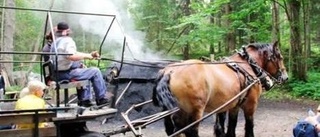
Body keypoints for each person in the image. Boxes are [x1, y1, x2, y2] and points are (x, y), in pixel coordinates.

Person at [49, 22, 110, 107]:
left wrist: (89, 55)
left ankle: (85, 100)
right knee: (95, 71)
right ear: (66, 31)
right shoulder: (67, 40)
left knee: (85, 71)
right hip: (65, 74)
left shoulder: (55, 42)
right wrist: (87, 56)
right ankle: (101, 99)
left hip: (56, 74)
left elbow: (74, 53)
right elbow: (72, 56)